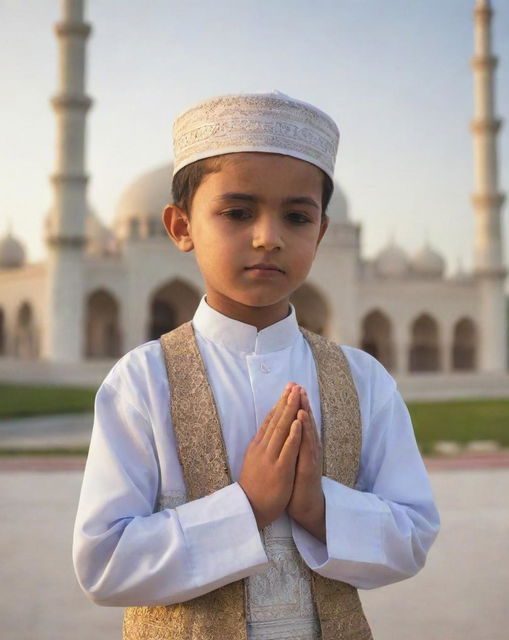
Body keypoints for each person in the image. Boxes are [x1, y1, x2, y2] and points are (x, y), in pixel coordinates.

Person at [73, 92, 440, 640]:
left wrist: (319, 508)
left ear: (320, 232)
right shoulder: (143, 381)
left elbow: (412, 535)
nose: (269, 237)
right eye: (238, 212)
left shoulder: (363, 380)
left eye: (296, 216)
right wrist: (246, 508)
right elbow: (104, 564)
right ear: (180, 226)